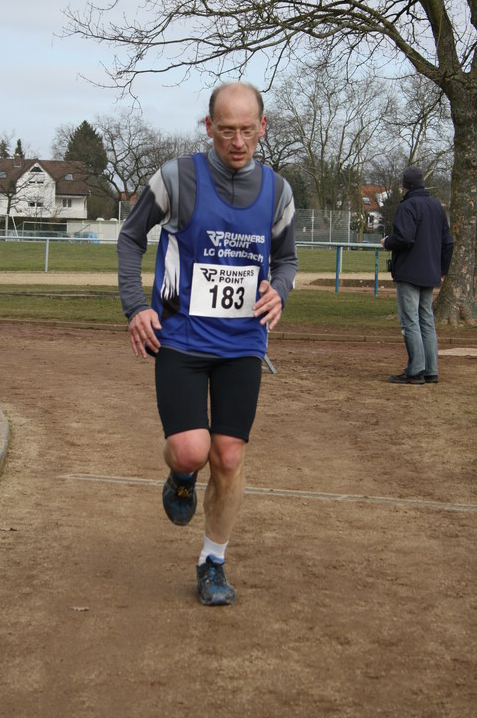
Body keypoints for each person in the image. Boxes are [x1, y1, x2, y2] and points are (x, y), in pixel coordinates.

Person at [117, 82, 298, 605]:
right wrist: (137, 306)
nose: (237, 142)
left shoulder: (278, 191)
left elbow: (287, 260)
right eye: (226, 130)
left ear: (263, 127)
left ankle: (212, 562)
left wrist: (280, 291)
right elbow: (131, 237)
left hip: (243, 341)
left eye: (247, 130)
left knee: (228, 455)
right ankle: (180, 475)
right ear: (208, 126)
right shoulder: (177, 177)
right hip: (181, 337)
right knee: (192, 450)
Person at [381, 165, 454, 385]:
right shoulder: (437, 207)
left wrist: (387, 242)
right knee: (426, 320)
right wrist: (442, 269)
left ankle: (415, 370)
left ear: (405, 185)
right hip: (431, 272)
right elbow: (448, 242)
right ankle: (431, 370)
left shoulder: (408, 206)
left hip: (409, 271)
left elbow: (404, 238)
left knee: (410, 321)